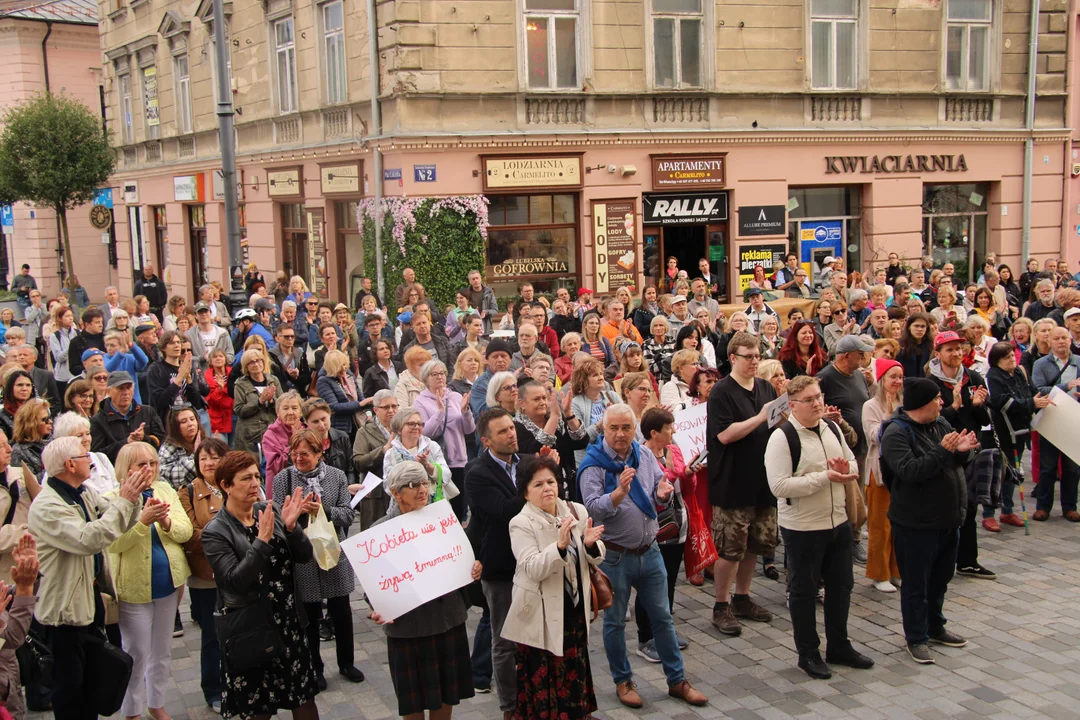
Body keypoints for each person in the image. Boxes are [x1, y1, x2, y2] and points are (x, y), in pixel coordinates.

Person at [579, 404, 707, 709]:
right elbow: (592, 508)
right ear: (604, 430)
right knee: (615, 623)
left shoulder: (644, 455)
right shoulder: (593, 464)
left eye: (626, 428)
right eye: (614, 428)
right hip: (615, 557)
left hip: (650, 551)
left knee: (663, 617)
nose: (621, 434)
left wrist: (661, 493)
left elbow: (652, 493)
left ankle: (677, 680)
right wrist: (618, 495)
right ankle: (623, 681)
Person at [29, 435, 149, 719]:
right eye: (85, 457)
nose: (91, 460)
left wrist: (131, 500)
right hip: (63, 611)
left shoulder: (83, 491)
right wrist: (126, 500)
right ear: (70, 464)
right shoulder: (48, 506)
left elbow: (116, 520)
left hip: (88, 598)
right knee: (70, 689)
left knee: (91, 682)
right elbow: (89, 539)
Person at [765, 375, 874, 678]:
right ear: (792, 405)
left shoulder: (832, 427)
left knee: (841, 587)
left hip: (838, 521)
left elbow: (852, 462)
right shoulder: (782, 437)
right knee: (804, 591)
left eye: (819, 397)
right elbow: (779, 486)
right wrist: (824, 477)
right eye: (809, 400)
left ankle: (839, 646)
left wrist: (844, 470)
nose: (817, 404)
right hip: (802, 527)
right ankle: (808, 653)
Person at [201, 450, 320, 720]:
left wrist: (291, 529)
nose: (255, 483)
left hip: (287, 624)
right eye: (246, 478)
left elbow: (304, 557)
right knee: (257, 710)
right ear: (226, 486)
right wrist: (262, 541)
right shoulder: (216, 531)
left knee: (304, 702)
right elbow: (235, 582)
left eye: (256, 476)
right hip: (250, 630)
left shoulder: (268, 510)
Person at [367, 462, 480, 720]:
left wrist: (473, 567)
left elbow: (460, 559)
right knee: (412, 701)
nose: (422, 490)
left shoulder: (442, 520)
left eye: (424, 483)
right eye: (412, 485)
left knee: (445, 694)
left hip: (446, 620)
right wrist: (377, 605)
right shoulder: (380, 531)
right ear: (395, 493)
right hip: (408, 629)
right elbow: (375, 583)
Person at [880, 378, 978, 664]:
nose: (942, 402)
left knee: (940, 579)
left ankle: (936, 627)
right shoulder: (896, 433)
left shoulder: (941, 424)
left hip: (948, 519)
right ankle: (916, 637)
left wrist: (965, 450)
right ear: (922, 403)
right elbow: (910, 472)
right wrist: (944, 451)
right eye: (937, 398)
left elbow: (958, 461)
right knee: (916, 584)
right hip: (915, 523)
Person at [499, 454, 605, 719]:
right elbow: (532, 567)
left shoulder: (576, 510)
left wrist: (591, 544)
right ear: (525, 491)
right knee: (544, 681)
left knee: (574, 672)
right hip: (541, 615)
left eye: (550, 482)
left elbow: (593, 557)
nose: (547, 488)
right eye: (538, 484)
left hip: (574, 609)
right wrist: (558, 546)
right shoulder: (521, 523)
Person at [272, 429, 364, 689]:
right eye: (294, 453)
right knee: (310, 616)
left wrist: (323, 509)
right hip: (302, 555)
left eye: (305, 454)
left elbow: (348, 515)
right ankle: (315, 667)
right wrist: (298, 512)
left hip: (333, 550)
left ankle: (346, 662)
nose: (299, 459)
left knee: (341, 611)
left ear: (319, 453)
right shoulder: (283, 479)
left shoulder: (336, 477)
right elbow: (278, 519)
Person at [107, 442, 192, 720]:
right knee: (136, 652)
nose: (149, 469)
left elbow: (185, 531)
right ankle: (131, 711)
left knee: (162, 651)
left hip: (168, 584)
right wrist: (143, 522)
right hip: (134, 589)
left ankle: (156, 703)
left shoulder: (164, 489)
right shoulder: (111, 497)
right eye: (141, 464)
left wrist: (166, 522)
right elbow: (113, 543)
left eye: (153, 463)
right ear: (126, 468)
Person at [704, 331, 778, 636]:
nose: (755, 362)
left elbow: (774, 424)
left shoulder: (766, 387)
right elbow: (724, 435)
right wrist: (761, 417)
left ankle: (743, 597)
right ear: (733, 358)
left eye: (758, 356)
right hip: (732, 482)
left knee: (754, 545)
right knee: (730, 549)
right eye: (749, 357)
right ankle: (721, 604)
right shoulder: (721, 392)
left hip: (763, 479)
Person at [464, 408, 527, 718]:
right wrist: (536, 484)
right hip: (500, 566)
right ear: (487, 440)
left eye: (511, 427)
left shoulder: (527, 463)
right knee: (504, 642)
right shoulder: (477, 473)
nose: (511, 433)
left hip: (532, 564)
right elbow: (505, 511)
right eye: (502, 431)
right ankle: (511, 708)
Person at [632, 407, 693, 662]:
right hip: (656, 529)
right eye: (668, 427)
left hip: (678, 523)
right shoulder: (642, 457)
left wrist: (689, 473)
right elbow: (652, 487)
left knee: (668, 583)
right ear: (654, 433)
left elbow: (682, 483)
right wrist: (671, 473)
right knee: (650, 585)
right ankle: (646, 637)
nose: (673, 431)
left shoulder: (674, 450)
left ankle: (664, 630)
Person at [176, 437, 229, 713]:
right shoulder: (187, 492)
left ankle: (236, 683)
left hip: (236, 572)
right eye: (203, 459)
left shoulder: (234, 485)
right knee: (211, 635)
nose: (209, 463)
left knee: (238, 632)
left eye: (214, 457)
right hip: (205, 576)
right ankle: (213, 690)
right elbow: (189, 536)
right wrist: (225, 535)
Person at [816, 334, 874, 562]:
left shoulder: (859, 376)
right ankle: (844, 541)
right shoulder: (825, 378)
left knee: (858, 496)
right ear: (846, 355)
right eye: (860, 354)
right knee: (845, 497)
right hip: (838, 449)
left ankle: (856, 539)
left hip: (860, 447)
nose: (864, 358)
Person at [862, 358, 905, 593]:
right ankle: (879, 573)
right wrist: (888, 417)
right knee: (880, 525)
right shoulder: (870, 406)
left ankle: (896, 570)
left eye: (900, 377)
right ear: (882, 380)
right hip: (879, 471)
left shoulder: (905, 402)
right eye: (892, 377)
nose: (897, 381)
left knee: (900, 523)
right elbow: (874, 437)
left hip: (902, 470)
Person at [413, 359, 475, 520]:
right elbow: (424, 432)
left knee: (460, 510)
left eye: (442, 373)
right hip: (436, 463)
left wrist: (465, 411)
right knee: (441, 512)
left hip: (459, 460)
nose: (440, 377)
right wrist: (440, 413)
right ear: (426, 378)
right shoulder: (420, 401)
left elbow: (469, 429)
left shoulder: (454, 396)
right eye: (435, 374)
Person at [1031, 326, 1080, 521]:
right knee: (1048, 466)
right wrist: (1065, 386)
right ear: (1048, 342)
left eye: (1064, 338)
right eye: (1056, 338)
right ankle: (1043, 506)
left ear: (1070, 340)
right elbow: (1039, 389)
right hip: (1051, 417)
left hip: (1073, 418)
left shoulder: (1078, 362)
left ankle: (1070, 507)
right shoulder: (1041, 364)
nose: (1061, 341)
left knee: (1072, 468)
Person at [91, 371, 166, 463]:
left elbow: (162, 442)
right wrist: (126, 442)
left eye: (128, 387)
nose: (125, 392)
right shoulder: (98, 421)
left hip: (147, 466)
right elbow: (97, 454)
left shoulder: (147, 412)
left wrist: (144, 438)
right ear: (108, 392)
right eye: (120, 388)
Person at [349, 390, 397, 528]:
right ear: (375, 410)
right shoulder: (364, 432)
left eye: (394, 406)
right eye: (386, 407)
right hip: (376, 496)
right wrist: (383, 450)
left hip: (398, 493)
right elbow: (358, 462)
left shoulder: (402, 429)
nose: (391, 410)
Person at [146, 331, 206, 424]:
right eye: (172, 343)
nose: (177, 345)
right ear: (163, 347)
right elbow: (159, 402)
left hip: (188, 421)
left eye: (178, 342)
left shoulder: (187, 367)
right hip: (167, 423)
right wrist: (179, 378)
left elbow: (197, 403)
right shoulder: (155, 369)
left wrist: (189, 380)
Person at [569, 358, 620, 466]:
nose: (601, 377)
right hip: (590, 461)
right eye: (595, 375)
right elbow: (580, 439)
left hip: (616, 456)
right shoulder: (576, 403)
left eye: (601, 374)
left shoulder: (612, 396)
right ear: (583, 380)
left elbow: (628, 420)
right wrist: (600, 425)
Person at [233, 350, 283, 454]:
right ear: (246, 366)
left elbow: (283, 406)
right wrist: (259, 402)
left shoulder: (274, 380)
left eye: (258, 360)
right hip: (251, 437)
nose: (256, 364)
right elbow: (239, 410)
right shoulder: (240, 384)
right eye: (251, 362)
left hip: (273, 432)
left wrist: (272, 401)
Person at [316, 349, 370, 438]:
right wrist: (359, 404)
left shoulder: (349, 376)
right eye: (339, 367)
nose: (344, 368)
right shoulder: (323, 381)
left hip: (359, 422)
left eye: (344, 365)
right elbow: (333, 407)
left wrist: (368, 411)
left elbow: (361, 397)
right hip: (342, 428)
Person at [261, 391, 305, 484]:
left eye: (294, 408)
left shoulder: (307, 430)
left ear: (301, 412)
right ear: (278, 412)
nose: (290, 412)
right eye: (285, 408)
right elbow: (276, 465)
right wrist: (295, 439)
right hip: (281, 484)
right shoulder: (270, 435)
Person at [10, 399, 51, 479]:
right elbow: (27, 483)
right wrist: (56, 468)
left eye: (49, 417)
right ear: (31, 423)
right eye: (45, 419)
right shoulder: (18, 451)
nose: (50, 421)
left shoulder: (54, 442)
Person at [394, 345, 432, 410]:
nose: (425, 368)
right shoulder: (402, 385)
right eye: (421, 365)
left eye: (427, 364)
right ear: (410, 366)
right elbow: (402, 412)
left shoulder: (434, 381)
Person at [897, 313, 933, 379]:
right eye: (916, 326)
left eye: (923, 326)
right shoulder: (900, 346)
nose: (920, 329)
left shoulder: (931, 347)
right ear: (909, 327)